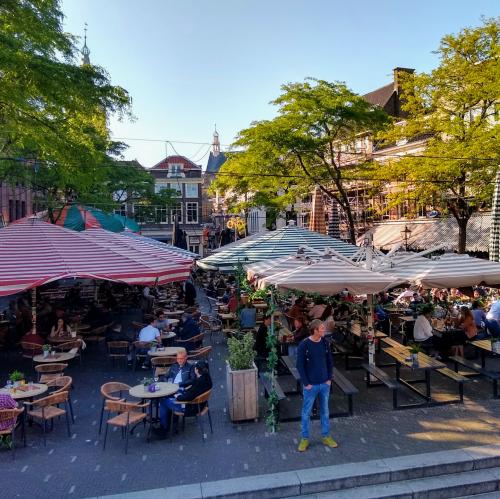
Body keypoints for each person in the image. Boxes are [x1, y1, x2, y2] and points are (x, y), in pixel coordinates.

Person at [296, 319, 337, 452]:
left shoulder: (325, 343)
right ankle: (304, 438)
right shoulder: (304, 345)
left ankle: (326, 436)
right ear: (315, 330)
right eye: (321, 328)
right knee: (306, 412)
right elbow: (299, 365)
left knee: (325, 411)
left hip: (325, 384)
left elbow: (330, 361)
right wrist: (306, 383)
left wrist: (329, 378)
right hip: (311, 385)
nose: (324, 330)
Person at [156, 360, 212, 438]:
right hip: (200, 404)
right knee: (173, 394)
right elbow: (192, 391)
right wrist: (182, 391)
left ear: (196, 370)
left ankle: (164, 429)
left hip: (190, 407)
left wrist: (178, 396)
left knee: (163, 401)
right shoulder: (207, 378)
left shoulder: (198, 382)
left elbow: (188, 397)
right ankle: (172, 423)